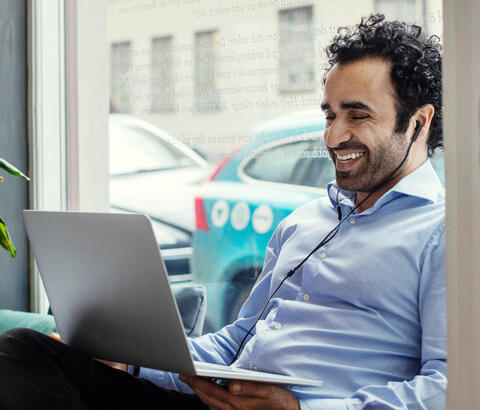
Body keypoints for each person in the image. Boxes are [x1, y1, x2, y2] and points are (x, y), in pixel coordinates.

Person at [0, 14, 445, 410]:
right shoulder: (304, 223)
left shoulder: (443, 234)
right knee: (23, 351)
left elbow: (447, 386)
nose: (334, 136)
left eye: (357, 115)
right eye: (329, 116)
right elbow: (237, 341)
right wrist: (133, 364)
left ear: (419, 122)